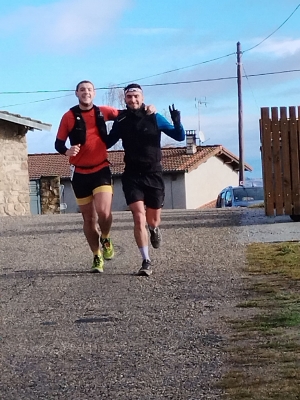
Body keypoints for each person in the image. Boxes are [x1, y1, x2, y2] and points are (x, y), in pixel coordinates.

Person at [106, 83, 185, 276]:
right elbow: (107, 142)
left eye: (136, 96)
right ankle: (146, 260)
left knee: (152, 219)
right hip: (132, 174)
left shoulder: (154, 116)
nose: (133, 100)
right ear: (125, 99)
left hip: (154, 174)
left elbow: (180, 136)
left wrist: (177, 121)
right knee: (138, 217)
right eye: (129, 97)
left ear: (142, 98)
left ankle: (154, 229)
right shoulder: (122, 119)